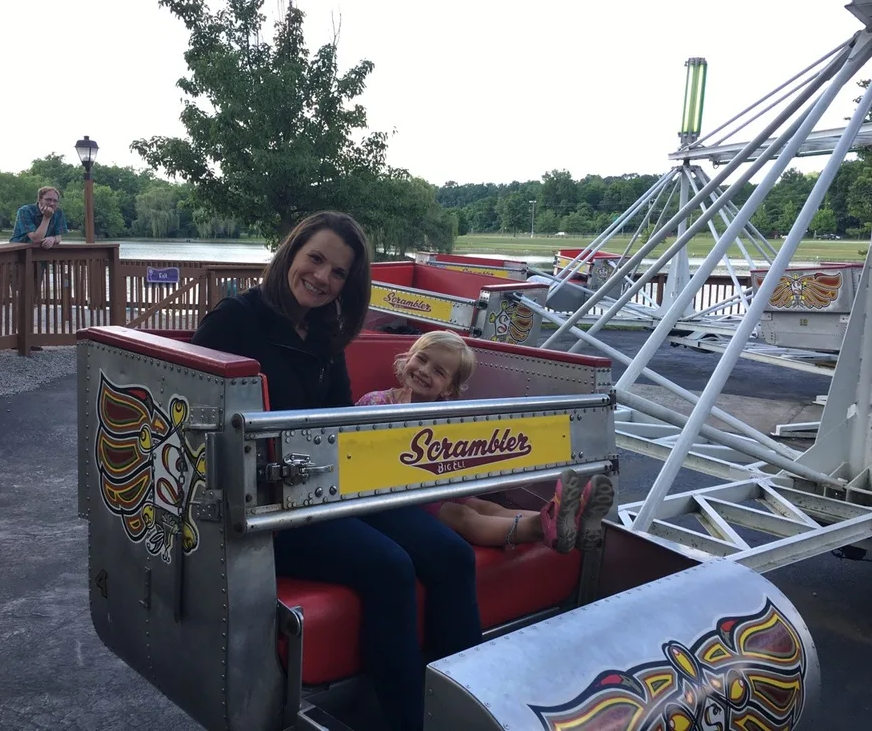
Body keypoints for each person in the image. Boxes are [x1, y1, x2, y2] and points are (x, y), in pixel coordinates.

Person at [191, 211, 481, 731]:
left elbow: (342, 421)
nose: (323, 277)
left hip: (323, 492)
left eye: (339, 272)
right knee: (389, 567)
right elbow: (192, 411)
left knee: (451, 554)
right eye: (316, 259)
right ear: (291, 253)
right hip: (261, 506)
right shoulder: (236, 319)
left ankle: (461, 709)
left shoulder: (325, 332)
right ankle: (408, 722)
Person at [356, 330, 616, 553]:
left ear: (448, 387)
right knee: (465, 516)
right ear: (408, 359)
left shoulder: (448, 416)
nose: (424, 371)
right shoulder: (377, 403)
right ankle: (541, 527)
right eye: (421, 359)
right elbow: (353, 453)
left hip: (440, 489)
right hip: (404, 499)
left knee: (487, 506)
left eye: (438, 371)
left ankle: (570, 522)